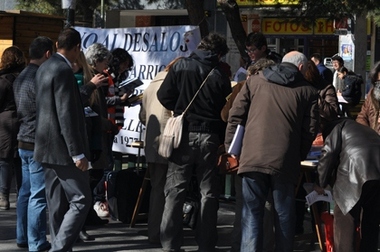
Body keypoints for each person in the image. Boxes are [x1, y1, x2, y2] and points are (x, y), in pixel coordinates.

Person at [225, 51, 319, 251]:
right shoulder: (308, 91)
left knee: (251, 214)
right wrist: (297, 156)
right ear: (301, 67)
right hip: (285, 160)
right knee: (284, 216)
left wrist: (231, 149)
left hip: (252, 157)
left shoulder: (255, 81)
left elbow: (235, 115)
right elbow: (309, 131)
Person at [157, 33, 231, 252]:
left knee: (175, 191)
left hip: (183, 135)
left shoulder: (181, 67)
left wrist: (179, 109)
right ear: (218, 53)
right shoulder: (219, 75)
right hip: (209, 137)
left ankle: (170, 244)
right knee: (208, 193)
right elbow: (225, 112)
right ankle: (206, 244)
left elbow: (164, 96)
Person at [34, 27, 92, 252]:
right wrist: (77, 153)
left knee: (57, 204)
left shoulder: (44, 67)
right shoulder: (63, 71)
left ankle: (59, 246)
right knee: (81, 199)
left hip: (45, 147)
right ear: (77, 48)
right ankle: (58, 248)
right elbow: (66, 114)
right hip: (62, 149)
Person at [220, 58, 276, 252]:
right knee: (266, 205)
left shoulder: (244, 86)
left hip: (243, 151)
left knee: (244, 206)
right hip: (269, 154)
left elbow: (226, 115)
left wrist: (230, 148)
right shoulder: (278, 89)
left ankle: (239, 246)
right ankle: (264, 246)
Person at [314, 118, 380, 252]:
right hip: (377, 171)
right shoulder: (364, 129)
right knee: (371, 222)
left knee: (345, 219)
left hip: (355, 171)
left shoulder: (336, 126)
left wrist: (320, 183)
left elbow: (329, 152)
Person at [12, 36, 53, 251]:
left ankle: (22, 236)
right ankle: (36, 241)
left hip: (22, 139)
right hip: (37, 141)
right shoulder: (40, 77)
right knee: (37, 195)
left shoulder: (20, 78)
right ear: (47, 54)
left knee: (25, 192)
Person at [138, 57, 182, 244]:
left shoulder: (151, 85)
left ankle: (154, 231)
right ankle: (163, 234)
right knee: (168, 190)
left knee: (157, 188)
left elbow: (142, 116)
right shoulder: (173, 84)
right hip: (168, 141)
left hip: (152, 141)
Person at [73, 50, 110, 240]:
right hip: (79, 139)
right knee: (80, 187)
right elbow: (74, 104)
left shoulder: (90, 80)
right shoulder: (82, 81)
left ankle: (82, 223)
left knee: (87, 182)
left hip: (91, 137)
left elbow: (94, 112)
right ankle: (77, 227)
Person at [0, 46, 26, 210]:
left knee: (4, 159)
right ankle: (22, 194)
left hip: (6, 119)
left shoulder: (3, 79)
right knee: (19, 159)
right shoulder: (25, 77)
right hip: (23, 119)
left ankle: (3, 196)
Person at [356, 61, 380, 134]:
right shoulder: (372, 94)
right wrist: (368, 133)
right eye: (378, 82)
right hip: (373, 141)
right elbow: (362, 116)